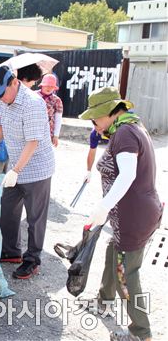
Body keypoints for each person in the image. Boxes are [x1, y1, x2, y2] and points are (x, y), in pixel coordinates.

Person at [79, 87, 162, 341]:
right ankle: (104, 300)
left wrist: (103, 207)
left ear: (108, 112)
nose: (93, 124)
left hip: (133, 217)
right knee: (112, 251)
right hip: (133, 213)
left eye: (94, 118)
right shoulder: (130, 126)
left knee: (126, 273)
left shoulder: (125, 133)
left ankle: (141, 333)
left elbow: (127, 175)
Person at [0, 65, 55, 279]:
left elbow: (33, 141)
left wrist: (16, 170)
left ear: (15, 82)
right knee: (7, 210)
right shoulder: (4, 99)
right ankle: (11, 251)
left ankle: (32, 260)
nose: (0, 99)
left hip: (36, 169)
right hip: (16, 165)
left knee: (35, 218)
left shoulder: (33, 104)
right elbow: (1, 126)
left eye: (2, 93)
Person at [37, 74, 63, 147]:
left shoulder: (57, 100)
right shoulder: (33, 95)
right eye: (47, 85)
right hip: (34, 127)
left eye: (51, 86)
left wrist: (56, 135)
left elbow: (58, 118)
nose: (49, 88)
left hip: (48, 131)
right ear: (42, 85)